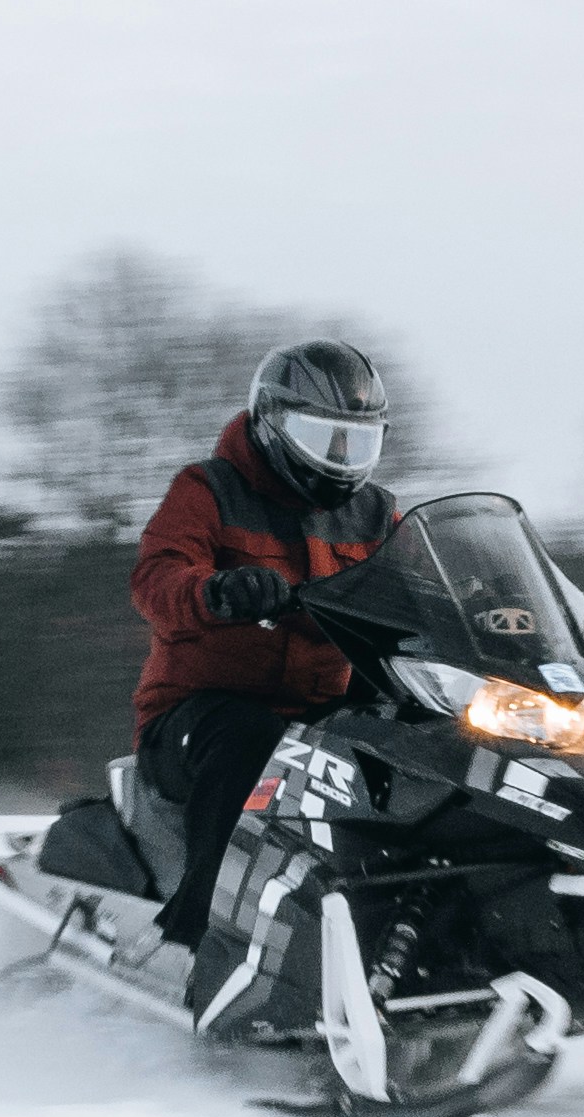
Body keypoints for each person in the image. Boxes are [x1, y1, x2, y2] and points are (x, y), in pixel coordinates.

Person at [130, 340, 397, 949]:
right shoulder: (210, 489)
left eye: (356, 441)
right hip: (198, 714)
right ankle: (199, 937)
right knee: (253, 744)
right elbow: (157, 576)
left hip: (322, 713)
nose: (341, 458)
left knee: (418, 753)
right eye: (323, 438)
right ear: (273, 424)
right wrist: (217, 591)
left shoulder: (378, 516)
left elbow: (423, 587)